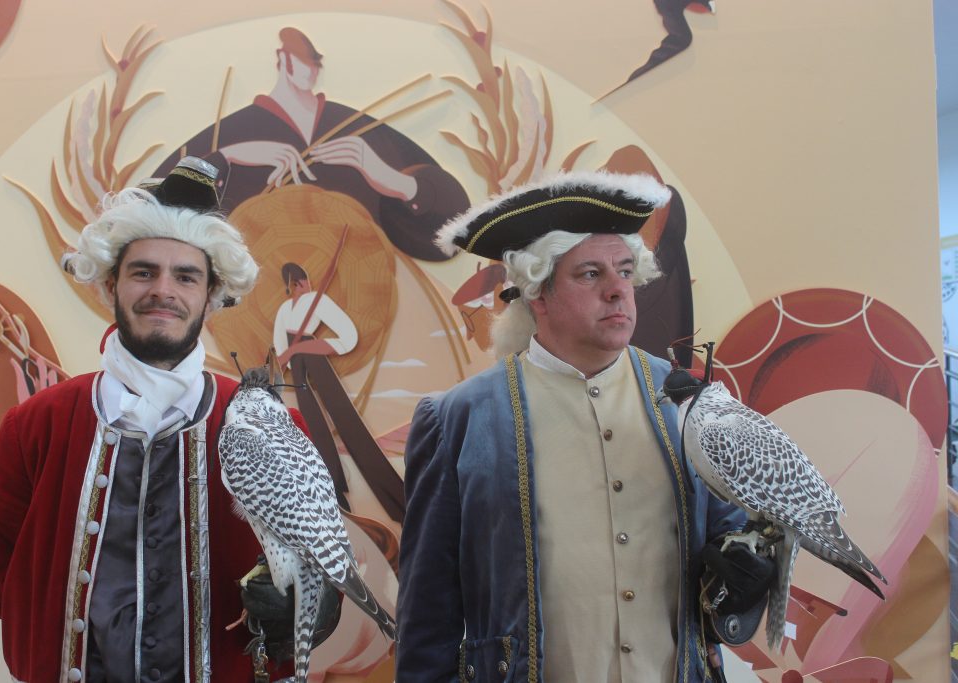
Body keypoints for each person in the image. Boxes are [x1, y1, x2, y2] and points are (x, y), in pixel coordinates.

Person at [396, 171, 765, 682]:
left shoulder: (690, 404)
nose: (617, 291)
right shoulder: (459, 419)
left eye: (624, 271)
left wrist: (745, 568)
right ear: (537, 294)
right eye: (590, 274)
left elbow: (731, 540)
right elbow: (427, 611)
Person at [0, 158, 311, 682]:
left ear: (211, 297)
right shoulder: (35, 425)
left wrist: (296, 607)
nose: (163, 291)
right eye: (143, 272)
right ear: (111, 285)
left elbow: (313, 578)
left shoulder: (272, 428)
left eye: (185, 276)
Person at [154, 26, 470, 262]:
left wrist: (393, 180)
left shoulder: (356, 129)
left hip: (361, 291)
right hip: (252, 305)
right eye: (303, 60)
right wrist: (227, 156)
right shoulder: (234, 130)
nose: (311, 69)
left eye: (315, 62)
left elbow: (457, 231)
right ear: (283, 59)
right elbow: (153, 216)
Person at [273, 262, 404, 520]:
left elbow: (348, 337)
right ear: (291, 285)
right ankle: (332, 493)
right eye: (298, 282)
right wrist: (285, 358)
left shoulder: (316, 300)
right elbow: (280, 349)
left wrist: (301, 347)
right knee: (312, 424)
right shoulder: (284, 309)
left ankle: (389, 493)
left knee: (344, 417)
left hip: (314, 357)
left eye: (303, 280)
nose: (303, 285)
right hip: (297, 367)